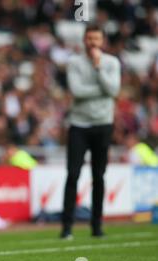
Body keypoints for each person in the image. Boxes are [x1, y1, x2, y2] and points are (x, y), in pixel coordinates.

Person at [61, 24, 121, 240]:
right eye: (89, 39)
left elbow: (114, 91)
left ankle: (97, 227)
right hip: (79, 124)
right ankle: (67, 227)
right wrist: (102, 89)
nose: (93, 43)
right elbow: (77, 91)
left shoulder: (112, 62)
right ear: (84, 40)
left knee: (99, 176)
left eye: (96, 39)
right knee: (73, 174)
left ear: (102, 41)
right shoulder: (74, 62)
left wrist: (98, 68)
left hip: (103, 124)